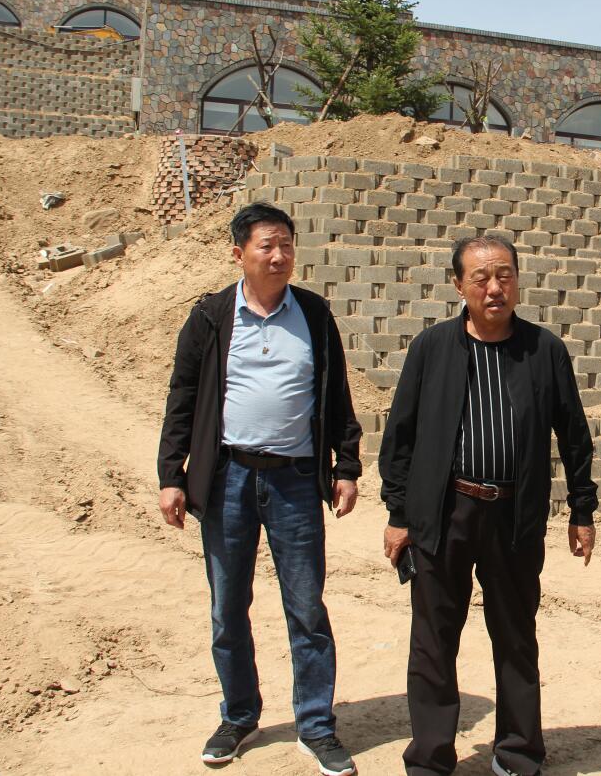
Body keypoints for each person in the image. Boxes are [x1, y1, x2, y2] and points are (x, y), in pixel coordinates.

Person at [379, 236, 598, 776]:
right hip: (443, 513)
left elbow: (574, 435)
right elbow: (400, 435)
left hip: (514, 518)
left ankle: (518, 753)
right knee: (433, 640)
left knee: (516, 637)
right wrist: (398, 514)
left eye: (505, 275)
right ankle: (430, 758)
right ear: (459, 285)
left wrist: (582, 510)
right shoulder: (432, 348)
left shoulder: (544, 351)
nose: (494, 288)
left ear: (518, 281)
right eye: (481, 278)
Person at [156, 203, 362, 775]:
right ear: (239, 253)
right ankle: (239, 715)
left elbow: (337, 396)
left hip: (295, 480)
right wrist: (171, 475)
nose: (279, 256)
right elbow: (182, 398)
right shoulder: (211, 316)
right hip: (228, 478)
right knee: (228, 607)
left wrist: (346, 466)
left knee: (307, 608)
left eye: (286, 245)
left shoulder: (314, 314)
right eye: (267, 245)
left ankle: (316, 725)